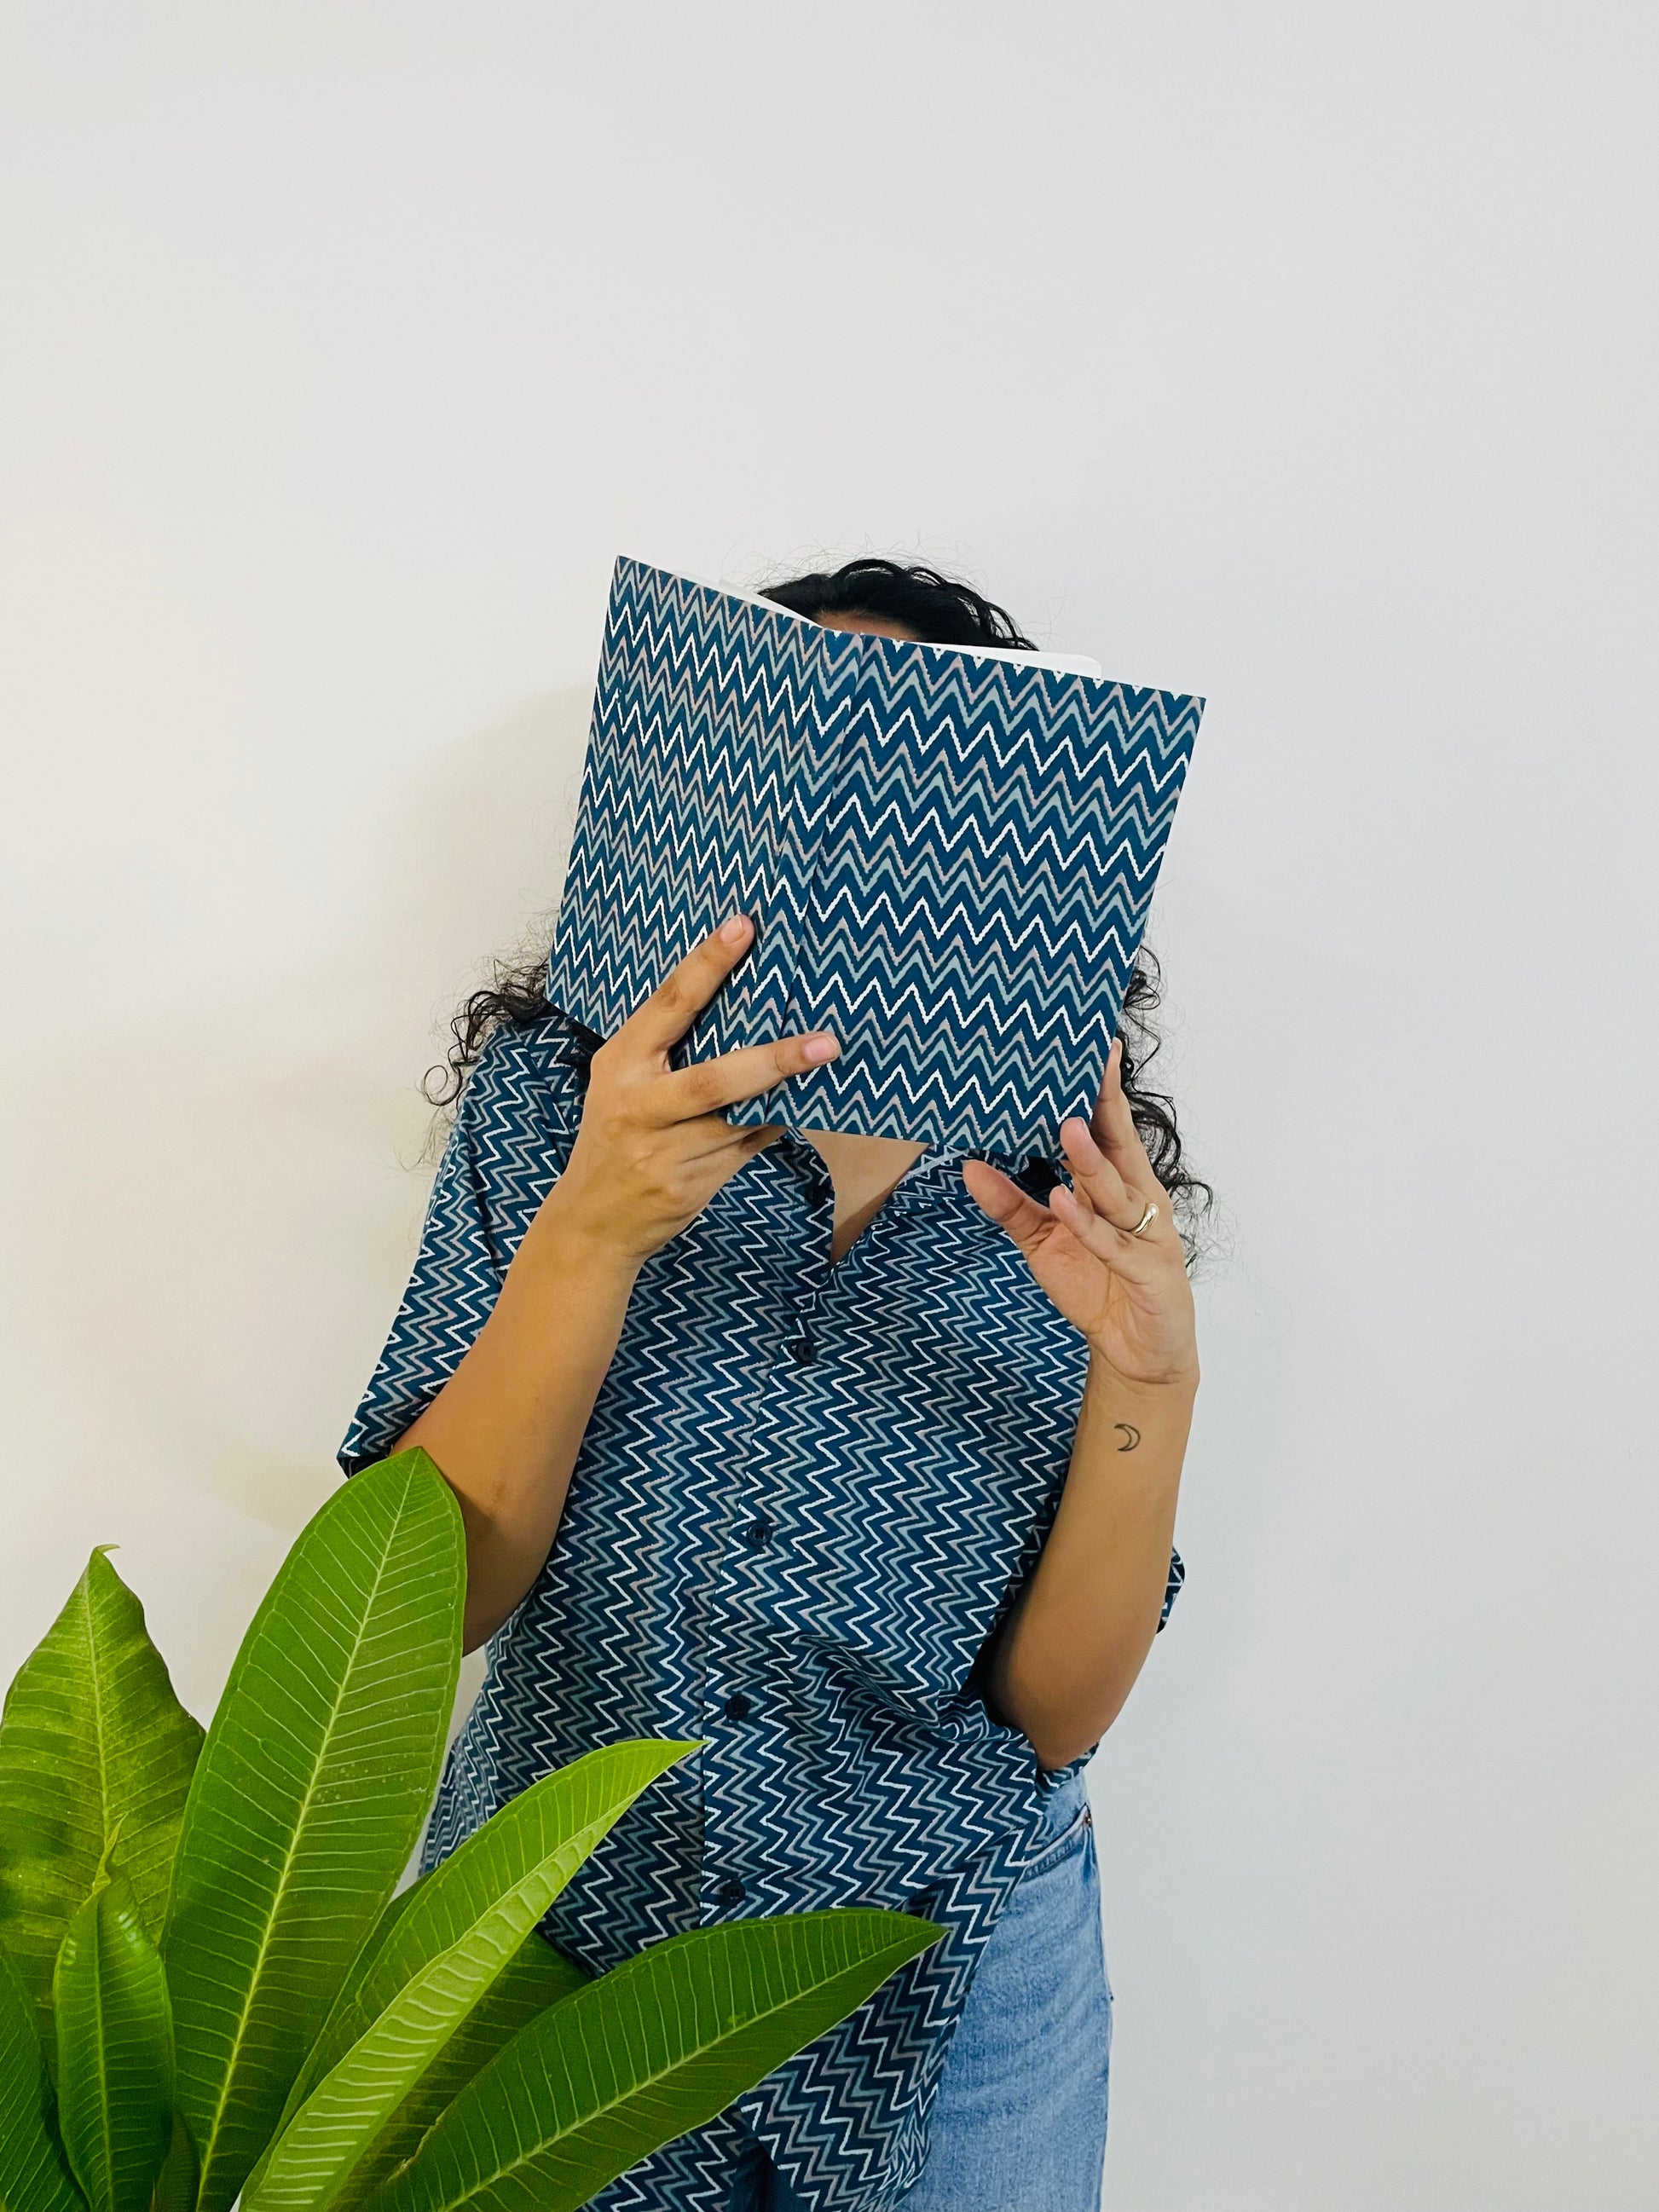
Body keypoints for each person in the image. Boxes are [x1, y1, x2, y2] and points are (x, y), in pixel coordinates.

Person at [339, 557, 1210, 2212]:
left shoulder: (1074, 1198)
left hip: (936, 1961)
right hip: (556, 1935)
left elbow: (1048, 1715)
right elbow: (421, 1602)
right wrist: (591, 1234)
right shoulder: (558, 1114)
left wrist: (1149, 1378)